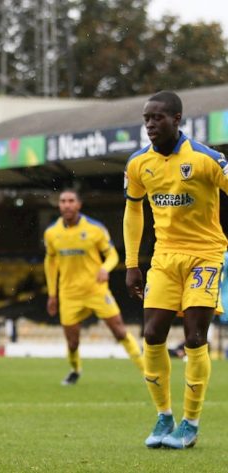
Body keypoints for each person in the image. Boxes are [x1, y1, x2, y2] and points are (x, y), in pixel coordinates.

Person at [124, 90, 227, 449]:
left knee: (195, 337)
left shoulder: (206, 159)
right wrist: (132, 263)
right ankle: (164, 416)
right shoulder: (139, 164)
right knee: (152, 334)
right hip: (164, 258)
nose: (150, 124)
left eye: (158, 118)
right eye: (146, 119)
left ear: (177, 119)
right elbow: (134, 211)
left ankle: (191, 423)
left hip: (205, 255)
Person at [43, 189, 144, 386]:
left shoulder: (95, 229)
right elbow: (50, 263)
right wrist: (52, 294)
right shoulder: (51, 233)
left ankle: (147, 371)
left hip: (96, 290)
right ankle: (75, 370)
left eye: (71, 200)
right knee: (72, 342)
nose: (67, 204)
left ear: (79, 204)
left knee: (119, 331)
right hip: (69, 294)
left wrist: (106, 268)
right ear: (59, 205)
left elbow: (113, 255)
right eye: (63, 201)